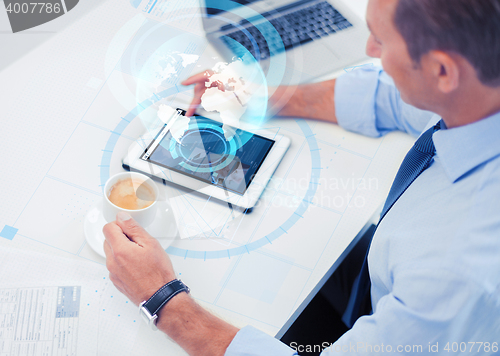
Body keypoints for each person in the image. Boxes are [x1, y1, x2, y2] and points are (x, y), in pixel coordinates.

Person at [103, 0, 500, 354]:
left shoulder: (458, 272)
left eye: (381, 40)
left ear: (443, 70)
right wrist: (255, 95)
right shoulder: (479, 92)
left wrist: (163, 301)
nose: (369, 50)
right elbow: (391, 97)